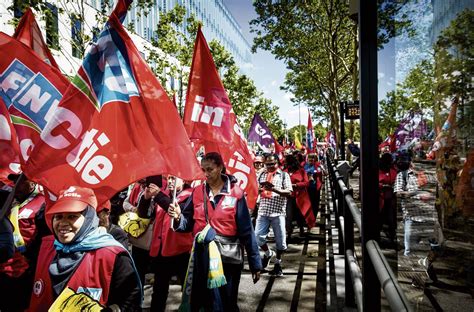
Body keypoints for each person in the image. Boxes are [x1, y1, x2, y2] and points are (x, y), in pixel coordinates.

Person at [170, 152, 262, 311]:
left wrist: (255, 264)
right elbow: (187, 224)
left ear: (220, 168)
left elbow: (247, 231)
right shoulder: (197, 191)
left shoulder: (236, 193)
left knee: (226, 302)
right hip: (201, 257)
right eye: (203, 170)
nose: (206, 174)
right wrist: (178, 217)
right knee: (203, 303)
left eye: (210, 169)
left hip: (228, 258)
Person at [28, 186, 141, 311]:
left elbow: (131, 300)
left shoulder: (112, 255)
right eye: (58, 216)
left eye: (72, 216)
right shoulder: (46, 246)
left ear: (89, 218)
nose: (63, 223)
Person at [137, 175, 193, 311]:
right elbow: (144, 215)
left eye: (174, 178)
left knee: (188, 291)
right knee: (159, 291)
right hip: (161, 250)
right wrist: (146, 198)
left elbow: (177, 214)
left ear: (184, 179)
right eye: (168, 178)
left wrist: (159, 195)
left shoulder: (191, 195)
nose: (170, 181)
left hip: (182, 251)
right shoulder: (163, 194)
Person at [0, 174, 47, 312]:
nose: (17, 186)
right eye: (15, 182)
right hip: (4, 266)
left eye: (22, 182)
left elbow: (44, 239)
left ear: (33, 181)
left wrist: (30, 259)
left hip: (24, 270)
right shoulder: (7, 200)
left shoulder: (43, 203)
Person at [255, 153, 292, 276]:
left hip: (278, 212)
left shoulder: (283, 175)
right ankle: (268, 254)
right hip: (263, 211)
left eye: (273, 164)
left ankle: (278, 263)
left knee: (280, 241)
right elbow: (255, 188)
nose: (270, 166)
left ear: (277, 163)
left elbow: (288, 192)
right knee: (258, 237)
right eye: (267, 164)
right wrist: (259, 190)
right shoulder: (261, 174)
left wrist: (274, 190)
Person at [284, 154, 314, 239]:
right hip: (289, 196)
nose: (285, 164)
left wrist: (295, 185)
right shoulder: (285, 172)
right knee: (288, 215)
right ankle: (288, 233)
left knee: (300, 214)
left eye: (286, 162)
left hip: (300, 197)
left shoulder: (301, 171)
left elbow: (306, 183)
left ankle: (301, 229)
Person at [378, 152, 398, 247]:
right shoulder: (378, 170)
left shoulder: (393, 170)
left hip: (390, 199)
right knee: (379, 219)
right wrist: (382, 186)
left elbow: (397, 181)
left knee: (391, 220)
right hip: (380, 199)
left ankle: (392, 240)